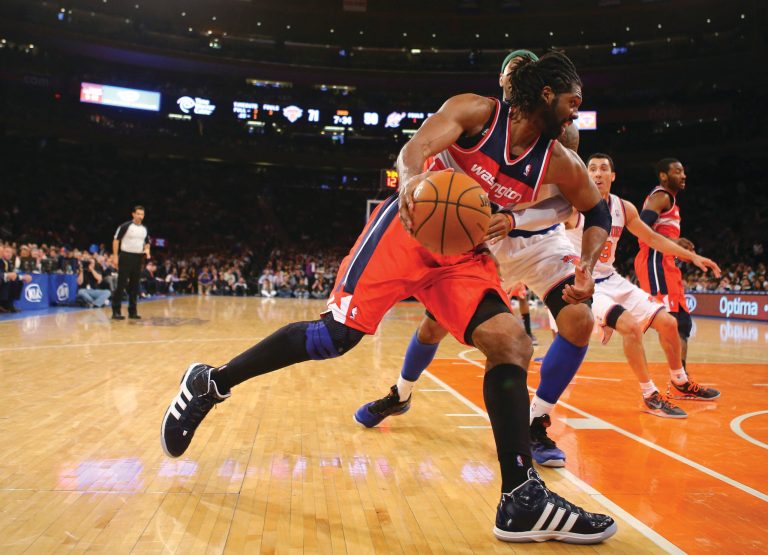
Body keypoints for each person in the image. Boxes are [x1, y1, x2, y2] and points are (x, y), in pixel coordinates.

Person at [160, 51, 617, 544]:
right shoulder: (477, 114)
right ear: (547, 93)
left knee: (511, 343)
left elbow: (598, 214)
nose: (577, 112)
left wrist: (588, 268)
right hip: (409, 228)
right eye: (574, 101)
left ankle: (521, 497)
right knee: (335, 338)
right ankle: (211, 382)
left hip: (463, 254)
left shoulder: (560, 161)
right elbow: (413, 150)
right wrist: (415, 179)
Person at [354, 49, 594, 470]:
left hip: (538, 241)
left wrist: (516, 216)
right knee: (433, 325)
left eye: (523, 71)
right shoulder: (482, 120)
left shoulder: (561, 140)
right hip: (482, 239)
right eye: (509, 72)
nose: (513, 78)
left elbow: (570, 208)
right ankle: (402, 393)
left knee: (579, 319)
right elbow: (422, 153)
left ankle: (536, 422)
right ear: (503, 80)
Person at [563, 154, 721, 416]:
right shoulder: (571, 208)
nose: (598, 174)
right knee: (631, 327)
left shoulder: (623, 208)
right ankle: (650, 394)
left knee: (669, 323)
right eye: (592, 169)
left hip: (610, 277)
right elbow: (542, 229)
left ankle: (680, 381)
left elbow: (652, 237)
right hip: (584, 282)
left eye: (604, 169)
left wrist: (693, 256)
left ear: (613, 176)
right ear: (585, 175)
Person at [633, 159, 720, 400]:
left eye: (684, 171)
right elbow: (640, 228)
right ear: (663, 176)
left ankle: (681, 380)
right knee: (670, 322)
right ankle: (677, 381)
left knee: (682, 323)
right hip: (654, 262)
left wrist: (678, 244)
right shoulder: (661, 197)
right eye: (677, 171)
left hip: (667, 263)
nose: (683, 175)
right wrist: (673, 244)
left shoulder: (670, 201)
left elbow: (660, 233)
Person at [111, 205, 150, 320]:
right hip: (125, 256)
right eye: (138, 214)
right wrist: (115, 256)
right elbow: (116, 240)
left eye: (142, 214)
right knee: (121, 284)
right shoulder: (125, 226)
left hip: (138, 258)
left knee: (135, 285)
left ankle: (132, 311)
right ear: (133, 214)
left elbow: (147, 242)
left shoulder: (144, 229)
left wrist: (147, 250)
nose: (140, 216)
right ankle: (116, 311)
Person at [1, 245, 32, 313]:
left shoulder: (9, 263)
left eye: (11, 253)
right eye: (7, 252)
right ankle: (2, 304)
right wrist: (7, 275)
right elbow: (3, 274)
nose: (9, 254)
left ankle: (9, 304)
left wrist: (23, 277)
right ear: (2, 252)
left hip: (4, 280)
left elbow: (13, 275)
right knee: (7, 281)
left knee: (17, 282)